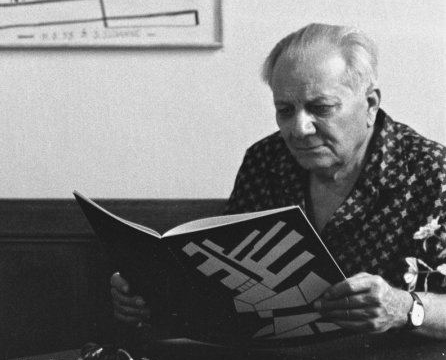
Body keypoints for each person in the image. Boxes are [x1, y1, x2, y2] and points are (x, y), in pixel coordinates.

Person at [111, 23, 446, 339]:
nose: (299, 129)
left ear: (370, 103)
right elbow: (224, 285)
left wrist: (406, 308)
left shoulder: (432, 172)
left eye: (321, 107)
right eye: (285, 110)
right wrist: (150, 297)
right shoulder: (265, 160)